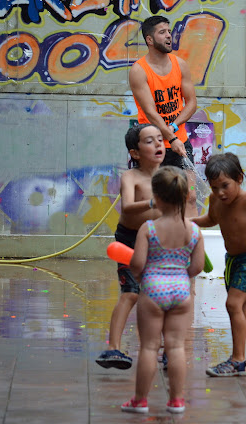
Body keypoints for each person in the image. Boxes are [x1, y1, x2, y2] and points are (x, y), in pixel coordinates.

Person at [121, 166, 205, 414]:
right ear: (184, 196)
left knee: (149, 346)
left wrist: (142, 275)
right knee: (176, 346)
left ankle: (140, 400)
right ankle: (177, 400)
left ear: (155, 197)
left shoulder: (149, 228)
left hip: (153, 288)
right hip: (180, 289)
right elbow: (197, 266)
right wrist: (180, 275)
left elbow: (137, 263)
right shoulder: (194, 230)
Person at [193, 131, 246, 376]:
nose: (220, 192)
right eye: (214, 186)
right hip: (233, 260)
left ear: (239, 178)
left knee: (233, 304)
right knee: (239, 308)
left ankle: (238, 360)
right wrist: (186, 221)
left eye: (225, 186)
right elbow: (210, 219)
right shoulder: (215, 201)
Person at [96, 124, 164, 370]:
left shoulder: (168, 175)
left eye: (160, 139)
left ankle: (165, 347)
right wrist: (152, 201)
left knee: (161, 294)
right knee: (131, 293)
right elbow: (127, 206)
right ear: (135, 153)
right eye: (149, 141)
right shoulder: (130, 177)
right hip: (129, 239)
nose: (158, 144)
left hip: (158, 240)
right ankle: (113, 347)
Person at [130, 15, 198, 217]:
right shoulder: (138, 70)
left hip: (180, 141)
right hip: (152, 146)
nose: (169, 36)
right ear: (149, 40)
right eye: (162, 32)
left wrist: (174, 128)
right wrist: (170, 137)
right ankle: (154, 246)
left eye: (169, 31)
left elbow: (192, 103)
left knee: (190, 196)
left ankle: (193, 245)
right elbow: (150, 113)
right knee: (156, 201)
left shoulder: (180, 64)